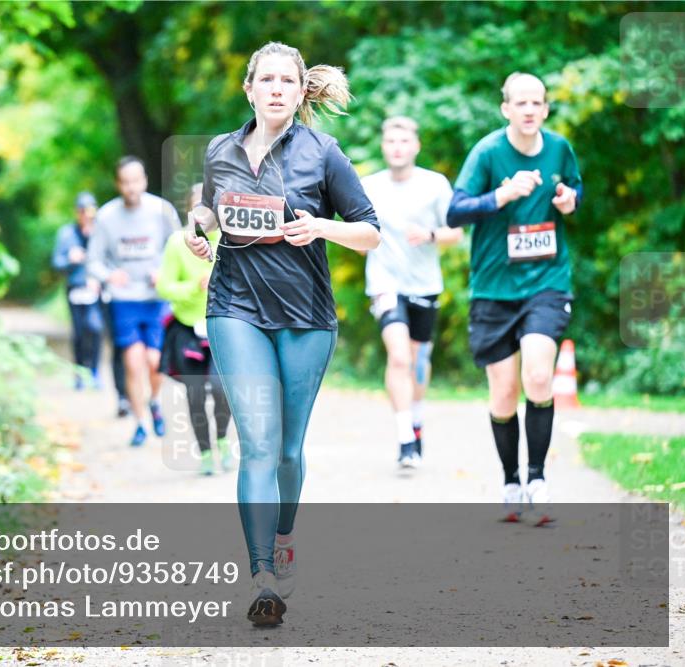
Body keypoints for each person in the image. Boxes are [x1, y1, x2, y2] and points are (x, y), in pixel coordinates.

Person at [186, 42, 380, 626]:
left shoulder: (324, 153)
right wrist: (197, 230)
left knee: (290, 451)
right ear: (248, 89)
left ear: (300, 93)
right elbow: (210, 211)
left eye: (285, 81)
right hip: (234, 307)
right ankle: (262, 573)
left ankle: (286, 534)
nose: (274, 88)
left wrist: (322, 226)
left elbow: (370, 231)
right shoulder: (220, 150)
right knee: (259, 444)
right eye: (264, 79)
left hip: (304, 316)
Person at [447, 72, 583, 525]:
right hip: (493, 289)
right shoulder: (487, 153)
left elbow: (575, 191)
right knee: (504, 392)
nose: (529, 110)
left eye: (537, 103)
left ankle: (538, 478)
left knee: (539, 376)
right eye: (520, 103)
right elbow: (455, 210)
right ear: (506, 108)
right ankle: (511, 481)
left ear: (545, 109)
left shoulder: (560, 148)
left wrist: (568, 200)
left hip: (546, 283)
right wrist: (502, 194)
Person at [360, 117, 462, 468]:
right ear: (383, 146)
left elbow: (456, 233)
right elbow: (358, 234)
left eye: (404, 141)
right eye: (391, 141)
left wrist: (432, 235)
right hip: (385, 285)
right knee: (400, 357)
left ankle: (416, 420)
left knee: (418, 362)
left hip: (425, 285)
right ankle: (405, 439)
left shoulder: (435, 184)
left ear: (416, 146)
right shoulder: (368, 185)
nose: (397, 147)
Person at [87, 156, 182, 447]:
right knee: (132, 363)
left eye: (135, 181)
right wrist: (109, 275)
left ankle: (154, 402)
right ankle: (139, 423)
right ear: (118, 184)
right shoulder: (106, 216)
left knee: (155, 362)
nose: (131, 187)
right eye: (125, 182)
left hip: (156, 297)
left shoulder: (161, 210)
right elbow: (94, 262)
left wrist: (164, 272)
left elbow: (178, 247)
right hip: (123, 300)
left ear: (144, 181)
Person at [157, 183, 233, 476]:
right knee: (195, 392)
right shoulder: (178, 243)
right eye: (197, 207)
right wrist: (192, 287)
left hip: (221, 326)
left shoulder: (228, 240)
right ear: (190, 211)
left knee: (220, 386)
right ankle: (204, 451)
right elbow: (164, 286)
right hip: (187, 328)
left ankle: (223, 440)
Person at [51, 192, 105, 390]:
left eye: (89, 212)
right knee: (79, 332)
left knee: (96, 328)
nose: (86, 216)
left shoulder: (100, 233)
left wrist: (100, 279)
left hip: (95, 289)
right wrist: (69, 260)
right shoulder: (66, 234)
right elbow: (56, 262)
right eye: (82, 211)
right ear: (76, 212)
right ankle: (79, 372)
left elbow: (109, 260)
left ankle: (94, 372)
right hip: (75, 288)